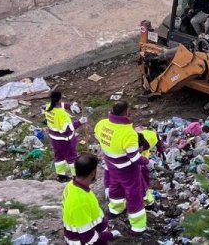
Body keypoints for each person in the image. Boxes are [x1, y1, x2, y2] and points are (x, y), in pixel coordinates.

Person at [94, 101, 150, 234]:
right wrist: (146, 161)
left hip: (111, 164)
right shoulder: (128, 133)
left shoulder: (101, 124)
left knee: (115, 186)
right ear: (126, 111)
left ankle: (115, 209)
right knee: (133, 194)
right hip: (127, 169)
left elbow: (98, 138)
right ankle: (138, 227)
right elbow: (134, 158)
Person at [62, 153, 115, 245]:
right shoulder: (79, 201)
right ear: (93, 172)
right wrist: (108, 235)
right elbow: (89, 238)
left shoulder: (71, 185)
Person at [44, 89, 80, 182]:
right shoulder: (62, 114)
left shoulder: (48, 107)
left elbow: (61, 105)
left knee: (58, 157)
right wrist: (80, 122)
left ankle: (61, 176)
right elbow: (68, 128)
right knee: (72, 158)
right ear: (60, 99)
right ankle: (76, 177)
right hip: (65, 140)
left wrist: (70, 105)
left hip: (54, 138)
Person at [137, 128, 164, 209]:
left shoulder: (148, 139)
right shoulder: (139, 140)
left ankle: (148, 202)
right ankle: (148, 202)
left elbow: (160, 147)